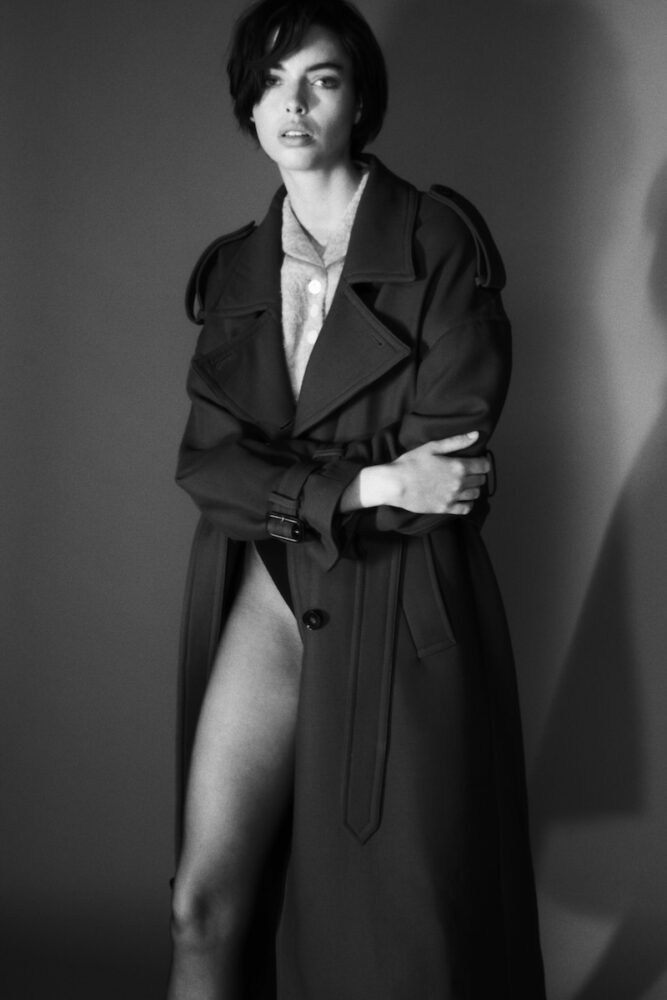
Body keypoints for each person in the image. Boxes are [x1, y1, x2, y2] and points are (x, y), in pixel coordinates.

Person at [167, 1, 546, 997]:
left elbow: (448, 459)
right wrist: (371, 478)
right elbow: (206, 466)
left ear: (359, 100)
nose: (292, 104)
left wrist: (290, 480)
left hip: (397, 597)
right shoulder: (235, 268)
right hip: (270, 583)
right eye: (271, 82)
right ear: (249, 105)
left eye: (320, 79)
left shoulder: (438, 240)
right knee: (201, 904)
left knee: (397, 935)